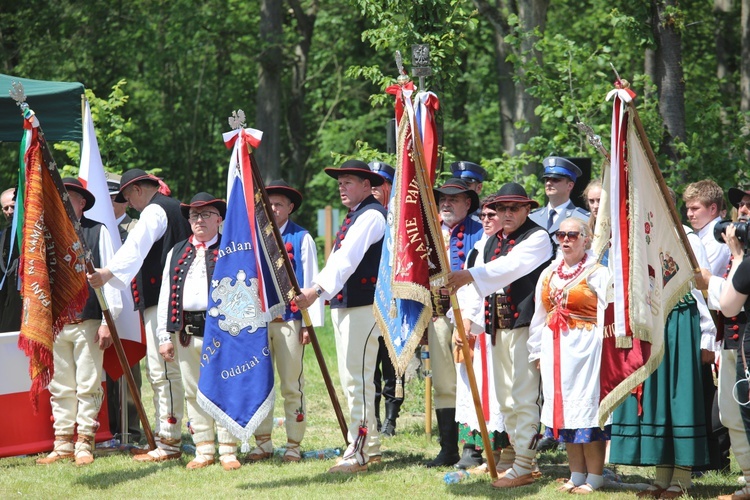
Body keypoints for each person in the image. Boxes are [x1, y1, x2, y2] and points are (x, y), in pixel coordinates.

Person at [447, 182, 554, 488]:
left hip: (525, 325)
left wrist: (469, 274)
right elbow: (483, 282)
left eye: (514, 208)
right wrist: (468, 320)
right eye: (502, 208)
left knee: (523, 394)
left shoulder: (538, 237)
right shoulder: (491, 241)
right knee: (504, 396)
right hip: (497, 327)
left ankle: (525, 463)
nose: (506, 213)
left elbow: (512, 266)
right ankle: (514, 455)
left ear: (527, 209)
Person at [609, 208, 717, 498]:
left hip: (680, 322)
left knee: (679, 397)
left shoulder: (686, 238)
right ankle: (661, 477)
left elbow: (699, 288)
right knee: (656, 399)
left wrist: (707, 334)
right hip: (651, 323)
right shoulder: (639, 239)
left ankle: (681, 479)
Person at [87, 168, 191, 462]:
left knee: (164, 373)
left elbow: (137, 245)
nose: (128, 203)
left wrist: (107, 272)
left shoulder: (155, 211)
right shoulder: (173, 209)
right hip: (176, 301)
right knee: (174, 372)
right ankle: (169, 436)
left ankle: (169, 442)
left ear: (138, 190)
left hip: (164, 302)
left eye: (128, 196)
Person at [295, 159, 386, 473]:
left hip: (363, 307)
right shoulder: (357, 215)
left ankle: (359, 450)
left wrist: (315, 291)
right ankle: (367, 444)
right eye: (340, 182)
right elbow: (339, 260)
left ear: (366, 185)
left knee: (358, 381)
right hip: (349, 305)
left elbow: (346, 259)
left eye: (348, 182)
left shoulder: (371, 215)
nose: (342, 187)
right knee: (353, 380)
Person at [153, 192, 243, 470]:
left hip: (222, 331)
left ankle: (228, 450)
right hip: (186, 332)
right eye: (194, 215)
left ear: (219, 219)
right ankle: (204, 449)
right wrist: (164, 335)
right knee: (192, 390)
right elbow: (166, 294)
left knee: (225, 388)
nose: (199, 220)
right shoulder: (177, 250)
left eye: (205, 214)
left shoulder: (231, 249)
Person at [36, 178, 121, 466]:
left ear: (82, 202)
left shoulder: (98, 232)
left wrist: (109, 320)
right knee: (60, 385)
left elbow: (109, 277)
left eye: (68, 197)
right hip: (57, 322)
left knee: (87, 383)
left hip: (89, 318)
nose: (62, 202)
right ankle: (61, 442)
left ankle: (84, 441)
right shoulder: (48, 236)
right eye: (59, 198)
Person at [527, 217, 610, 494]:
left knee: (586, 410)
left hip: (586, 349)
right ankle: (576, 474)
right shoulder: (549, 273)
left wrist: (604, 351)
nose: (565, 239)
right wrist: (536, 350)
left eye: (572, 235)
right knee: (563, 411)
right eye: (560, 234)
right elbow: (540, 315)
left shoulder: (598, 273)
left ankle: (595, 476)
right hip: (555, 347)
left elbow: (607, 315)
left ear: (586, 239)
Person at [246, 180, 323, 462]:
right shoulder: (253, 238)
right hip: (259, 322)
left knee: (292, 384)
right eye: (268, 203)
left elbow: (312, 280)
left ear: (290, 207)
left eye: (279, 203)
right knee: (260, 383)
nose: (273, 208)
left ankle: (293, 444)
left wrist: (308, 325)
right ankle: (263, 442)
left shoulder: (302, 238)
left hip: (291, 320)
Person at [424, 178, 483, 467]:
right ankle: (448, 448)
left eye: (453, 199)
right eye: (442, 199)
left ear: (468, 203)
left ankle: (473, 447)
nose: (446, 203)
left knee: (471, 379)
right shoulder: (427, 232)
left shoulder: (480, 231)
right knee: (444, 382)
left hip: (468, 315)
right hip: (437, 313)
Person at [450, 194, 510, 471]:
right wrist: (459, 323)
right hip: (471, 328)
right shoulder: (477, 247)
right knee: (473, 392)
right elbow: (464, 289)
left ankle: (504, 456)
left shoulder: (506, 250)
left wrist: (472, 322)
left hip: (492, 330)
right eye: (483, 215)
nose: (486, 220)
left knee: (498, 394)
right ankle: (486, 455)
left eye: (492, 215)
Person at [684, 180, 732, 474]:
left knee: (715, 395)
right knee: (705, 392)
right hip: (705, 316)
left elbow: (703, 281)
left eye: (696, 207)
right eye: (687, 208)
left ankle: (718, 459)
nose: (689, 213)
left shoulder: (714, 241)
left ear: (713, 208)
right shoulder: (699, 236)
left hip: (717, 320)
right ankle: (708, 457)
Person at [103, 173, 142, 444]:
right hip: (99, 307)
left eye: (114, 197)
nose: (108, 202)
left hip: (130, 305)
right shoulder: (92, 229)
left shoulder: (137, 227)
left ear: (124, 202)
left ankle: (130, 430)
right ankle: (105, 427)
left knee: (129, 370)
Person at [367, 161, 404, 437]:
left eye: (380, 183)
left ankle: (391, 419)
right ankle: (374, 418)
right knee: (370, 363)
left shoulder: (401, 218)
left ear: (390, 186)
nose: (375, 189)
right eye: (372, 183)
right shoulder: (364, 215)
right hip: (368, 299)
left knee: (392, 364)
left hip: (393, 300)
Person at [718, 222, 750, 500]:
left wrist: (738, 258)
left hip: (744, 346)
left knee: (743, 414)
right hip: (732, 342)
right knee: (732, 416)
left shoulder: (745, 260)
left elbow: (728, 305)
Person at [529, 156, 589, 234]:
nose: (548, 183)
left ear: (570, 185)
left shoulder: (584, 219)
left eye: (555, 179)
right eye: (547, 179)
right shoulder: (532, 217)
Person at [0, 187, 21, 332]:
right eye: (5, 208)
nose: (9, 211)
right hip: (6, 301)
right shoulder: (3, 235)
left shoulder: (34, 232)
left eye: (12, 206)